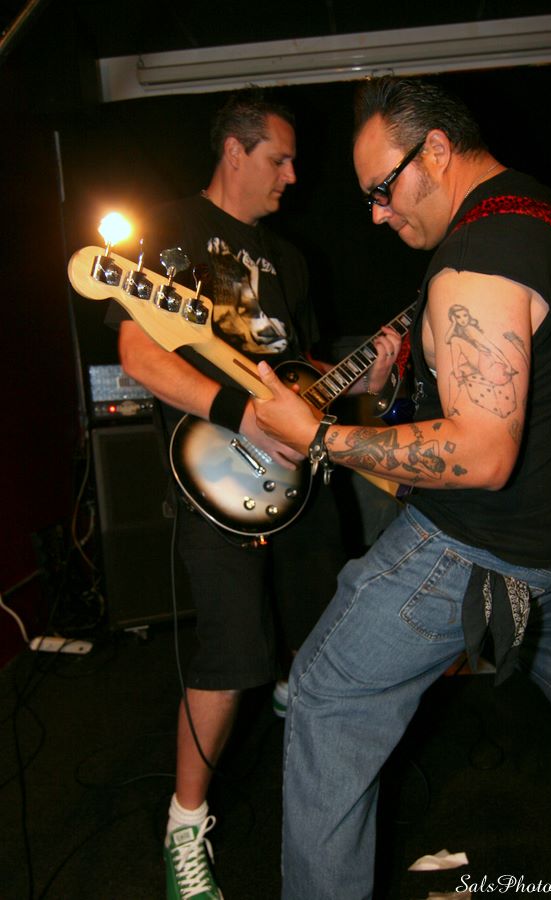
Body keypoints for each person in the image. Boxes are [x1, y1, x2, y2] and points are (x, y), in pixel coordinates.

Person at [250, 76, 551, 899]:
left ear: (435, 150)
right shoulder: (542, 215)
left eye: (383, 189)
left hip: (471, 550)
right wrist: (401, 370)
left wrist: (321, 437)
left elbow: (481, 452)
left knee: (327, 694)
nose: (377, 215)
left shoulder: (479, 256)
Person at [114, 89, 399, 900]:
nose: (293, 175)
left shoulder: (291, 260)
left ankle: (296, 712)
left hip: (296, 481)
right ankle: (184, 826)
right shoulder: (167, 228)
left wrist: (367, 375)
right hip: (216, 475)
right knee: (231, 651)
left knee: (328, 636)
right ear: (234, 151)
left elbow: (301, 379)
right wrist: (242, 413)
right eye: (280, 158)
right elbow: (140, 352)